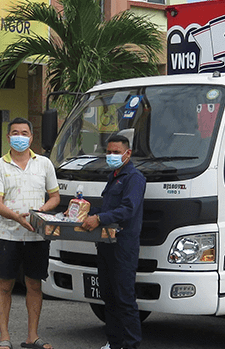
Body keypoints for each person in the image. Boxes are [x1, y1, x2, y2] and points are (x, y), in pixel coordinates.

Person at [0, 118, 60, 349]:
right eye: (15, 133)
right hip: (7, 235)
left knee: (34, 285)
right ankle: (4, 338)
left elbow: (55, 198)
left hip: (37, 236)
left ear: (31, 137)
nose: (20, 136)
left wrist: (40, 212)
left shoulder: (44, 164)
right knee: (5, 286)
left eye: (25, 133)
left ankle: (32, 336)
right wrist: (17, 217)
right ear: (8, 137)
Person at [81, 134, 145, 349]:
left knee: (124, 299)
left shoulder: (134, 178)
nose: (111, 156)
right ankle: (114, 343)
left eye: (116, 152)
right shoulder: (114, 176)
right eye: (109, 152)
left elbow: (128, 209)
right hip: (106, 245)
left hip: (123, 246)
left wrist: (98, 218)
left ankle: (131, 345)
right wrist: (85, 210)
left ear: (128, 153)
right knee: (108, 297)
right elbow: (109, 210)